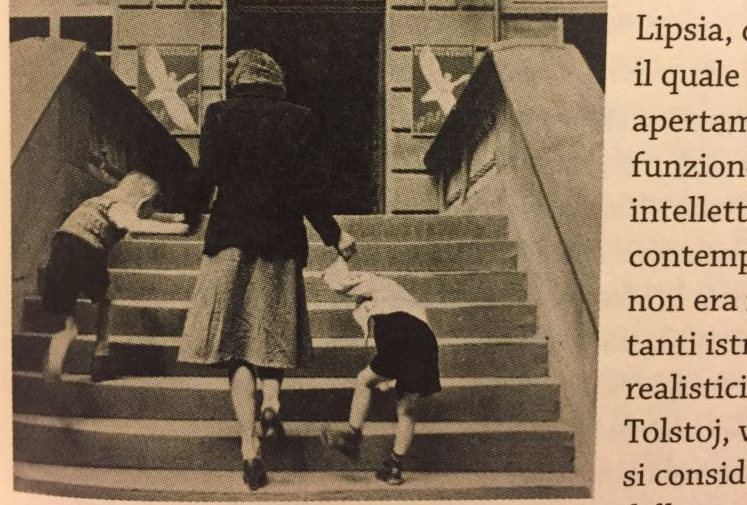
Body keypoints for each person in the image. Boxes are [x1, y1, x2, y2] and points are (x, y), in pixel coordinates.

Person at [177, 49, 357, 491]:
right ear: (276, 79)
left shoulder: (219, 113)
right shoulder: (300, 118)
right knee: (272, 334)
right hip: (280, 239)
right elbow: (309, 187)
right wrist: (335, 235)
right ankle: (272, 400)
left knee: (237, 347)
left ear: (238, 78)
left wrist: (189, 214)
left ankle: (249, 446)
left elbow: (206, 175)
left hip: (230, 238)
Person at [42, 171, 190, 383]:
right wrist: (176, 228)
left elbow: (142, 216)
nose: (151, 212)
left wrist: (172, 217)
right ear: (141, 202)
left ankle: (64, 338)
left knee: (67, 315)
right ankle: (101, 355)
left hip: (61, 247)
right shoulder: (119, 207)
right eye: (150, 206)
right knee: (104, 301)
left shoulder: (101, 201)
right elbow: (135, 224)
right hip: (87, 249)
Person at [320, 256, 441, 485]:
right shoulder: (407, 303)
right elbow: (403, 350)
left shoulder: (375, 283)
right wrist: (388, 379)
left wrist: (339, 259)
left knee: (364, 380)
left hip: (400, 337)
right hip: (426, 343)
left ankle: (353, 436)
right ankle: (395, 467)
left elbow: (340, 282)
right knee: (407, 409)